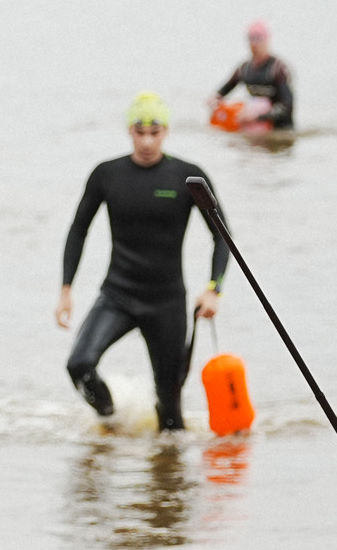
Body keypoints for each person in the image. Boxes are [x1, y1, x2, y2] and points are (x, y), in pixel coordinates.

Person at [56, 93, 226, 430]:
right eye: (139, 131)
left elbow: (222, 236)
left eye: (155, 131)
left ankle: (168, 475)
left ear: (166, 131)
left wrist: (213, 289)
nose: (147, 140)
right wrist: (66, 289)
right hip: (118, 295)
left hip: (167, 302)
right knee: (79, 365)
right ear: (129, 131)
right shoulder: (106, 175)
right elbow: (78, 231)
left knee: (170, 414)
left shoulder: (188, 177)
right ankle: (110, 420)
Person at [212, 20, 296, 132]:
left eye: (258, 38)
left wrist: (258, 117)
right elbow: (221, 93)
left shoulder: (277, 69)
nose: (254, 43)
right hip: (255, 130)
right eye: (251, 38)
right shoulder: (245, 69)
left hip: (280, 130)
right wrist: (214, 101)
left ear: (267, 40)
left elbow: (288, 107)